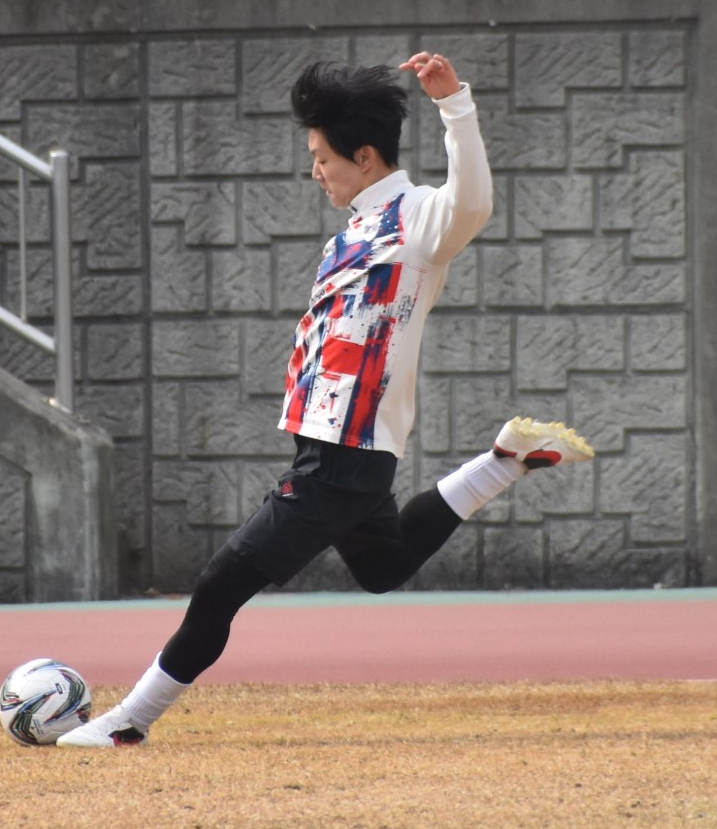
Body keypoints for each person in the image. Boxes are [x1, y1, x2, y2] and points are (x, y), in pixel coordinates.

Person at [57, 50, 593, 748]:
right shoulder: (358, 229)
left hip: (342, 457)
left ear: (363, 158)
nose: (314, 171)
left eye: (322, 158)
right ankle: (505, 460)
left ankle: (129, 723)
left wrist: (453, 103)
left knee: (221, 584)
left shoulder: (417, 218)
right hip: (340, 449)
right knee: (383, 567)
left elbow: (474, 203)